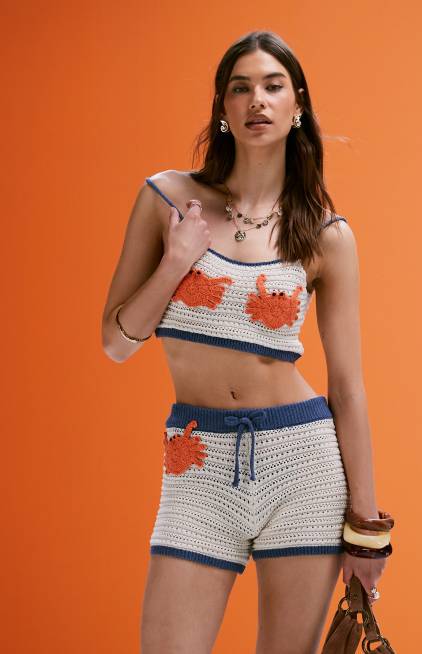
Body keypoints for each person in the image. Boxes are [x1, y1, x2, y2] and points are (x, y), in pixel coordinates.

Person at [102, 30, 394, 654]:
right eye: (240, 88)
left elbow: (347, 387)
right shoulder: (167, 198)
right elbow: (117, 342)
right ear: (223, 108)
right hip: (197, 462)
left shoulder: (327, 235)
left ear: (297, 106)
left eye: (272, 86)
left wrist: (368, 532)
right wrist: (175, 261)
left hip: (303, 466)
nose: (256, 100)